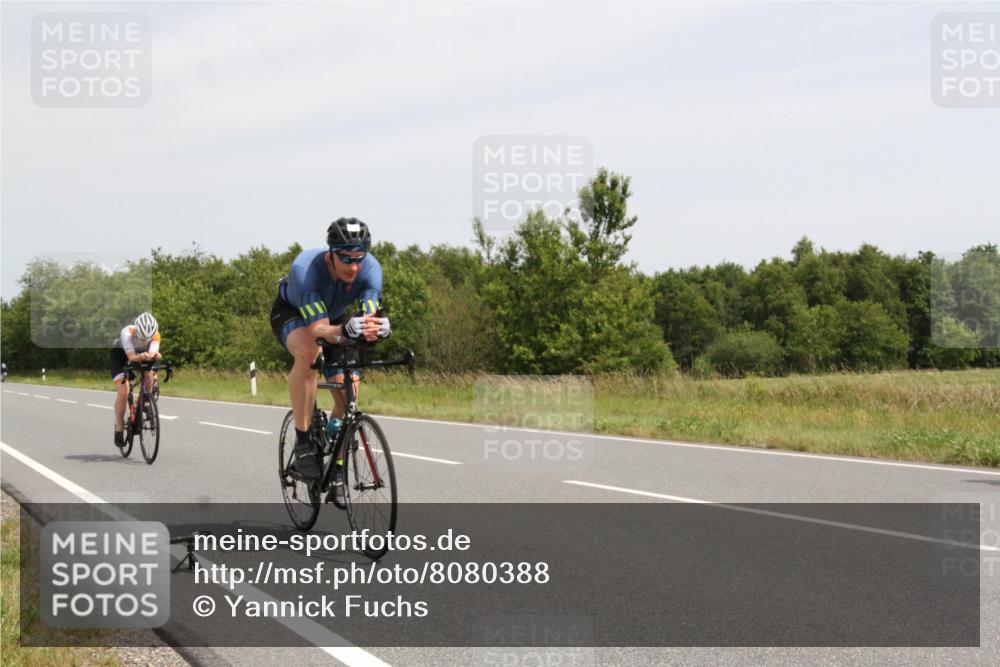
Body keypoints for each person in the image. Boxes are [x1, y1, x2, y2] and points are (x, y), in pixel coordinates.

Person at [270, 218, 390, 500]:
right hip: (293, 313)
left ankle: (336, 465)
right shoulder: (306, 270)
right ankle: (302, 441)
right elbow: (317, 330)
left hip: (334, 317)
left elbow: (368, 318)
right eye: (346, 259)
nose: (353, 267)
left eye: (359, 258)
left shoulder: (371, 270)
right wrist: (346, 330)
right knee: (311, 352)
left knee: (349, 391)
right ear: (331, 254)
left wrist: (379, 329)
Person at [110, 312, 161, 448]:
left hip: (141, 355)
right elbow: (132, 357)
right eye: (142, 338)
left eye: (148, 339)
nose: (145, 341)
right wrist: (142, 356)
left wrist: (154, 355)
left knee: (150, 374)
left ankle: (146, 403)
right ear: (137, 330)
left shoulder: (156, 335)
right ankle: (119, 427)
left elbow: (151, 354)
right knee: (124, 392)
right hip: (121, 356)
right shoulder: (127, 332)